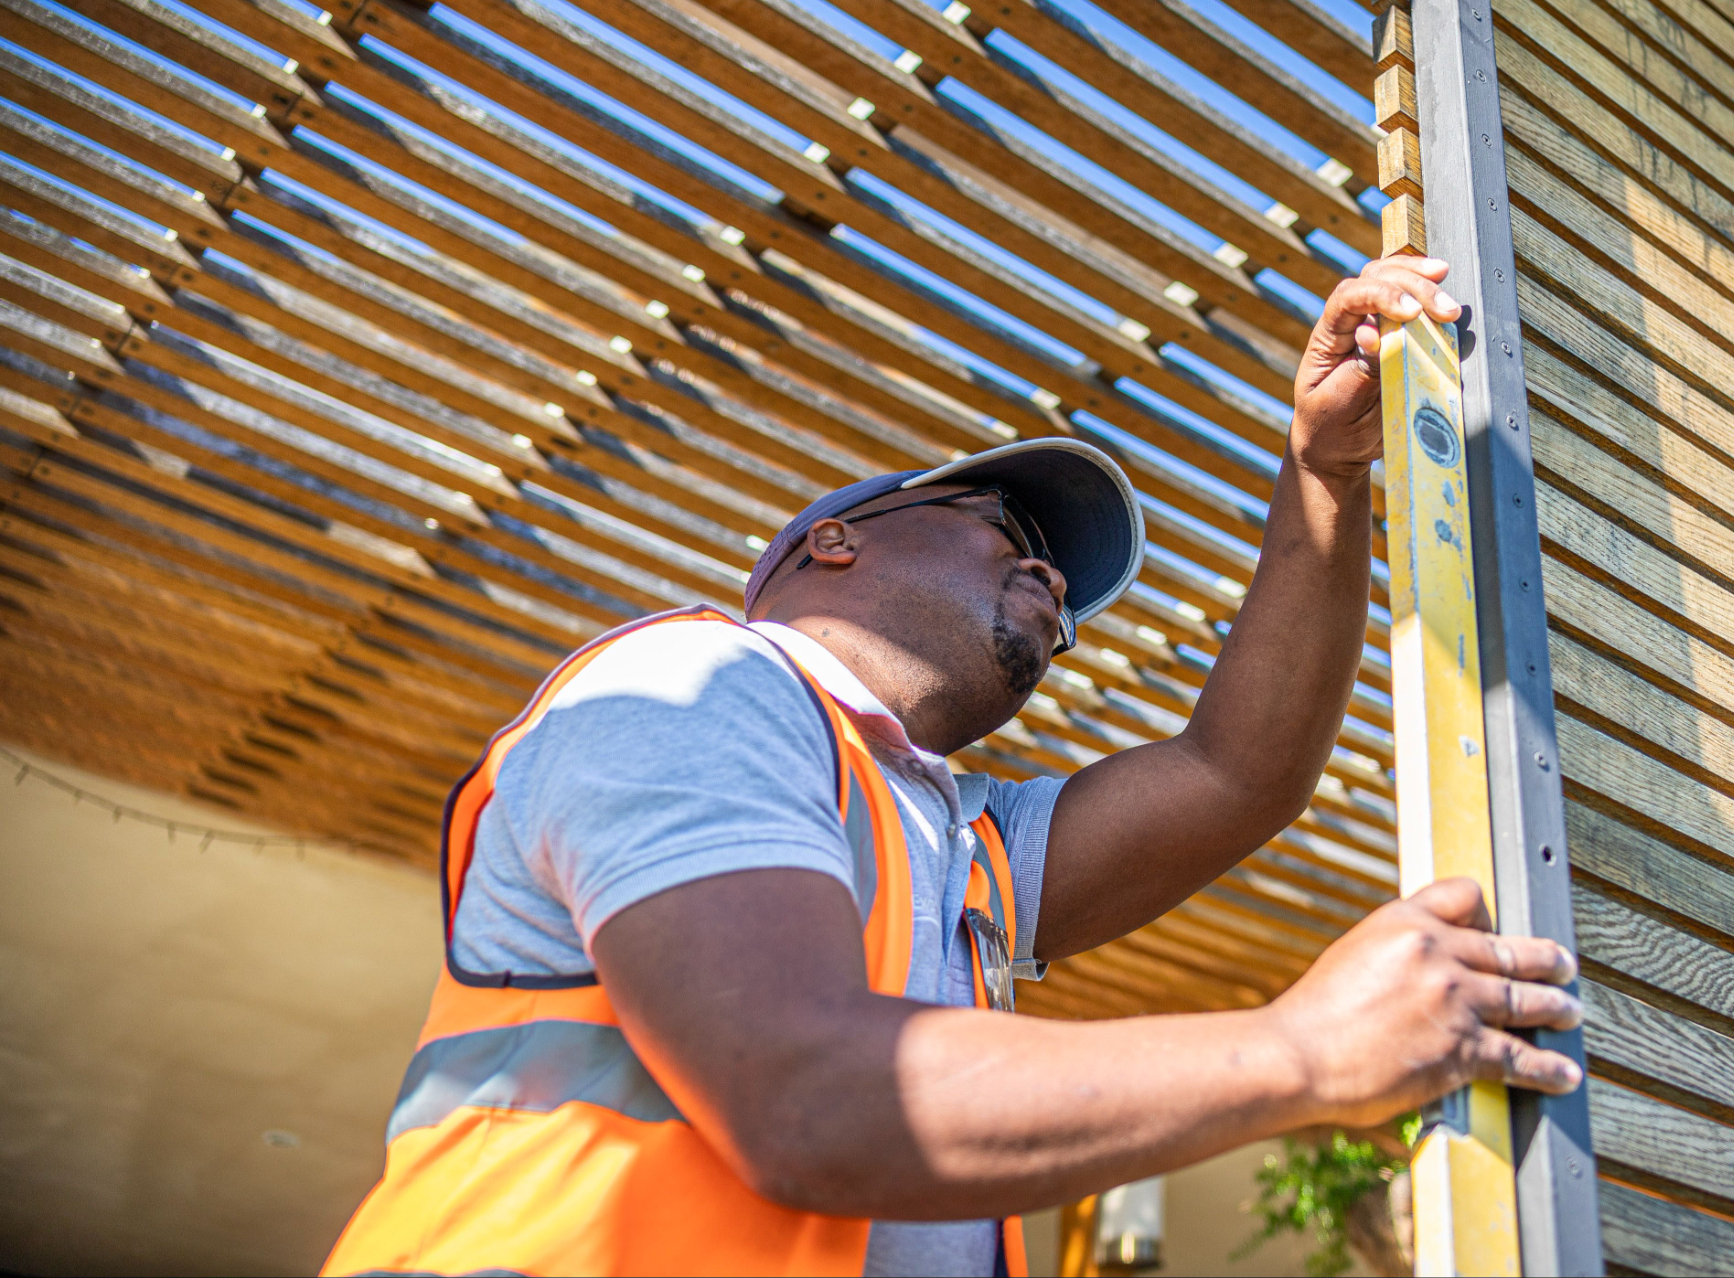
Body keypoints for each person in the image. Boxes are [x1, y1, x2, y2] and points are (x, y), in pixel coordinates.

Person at [322, 255, 1583, 1277]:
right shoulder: (691, 682)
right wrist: (1305, 1051)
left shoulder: (950, 835)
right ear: (831, 545)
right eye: (1004, 525)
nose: (1049, 575)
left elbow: (1234, 773)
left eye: (1060, 579)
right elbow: (805, 1092)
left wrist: (1324, 473)